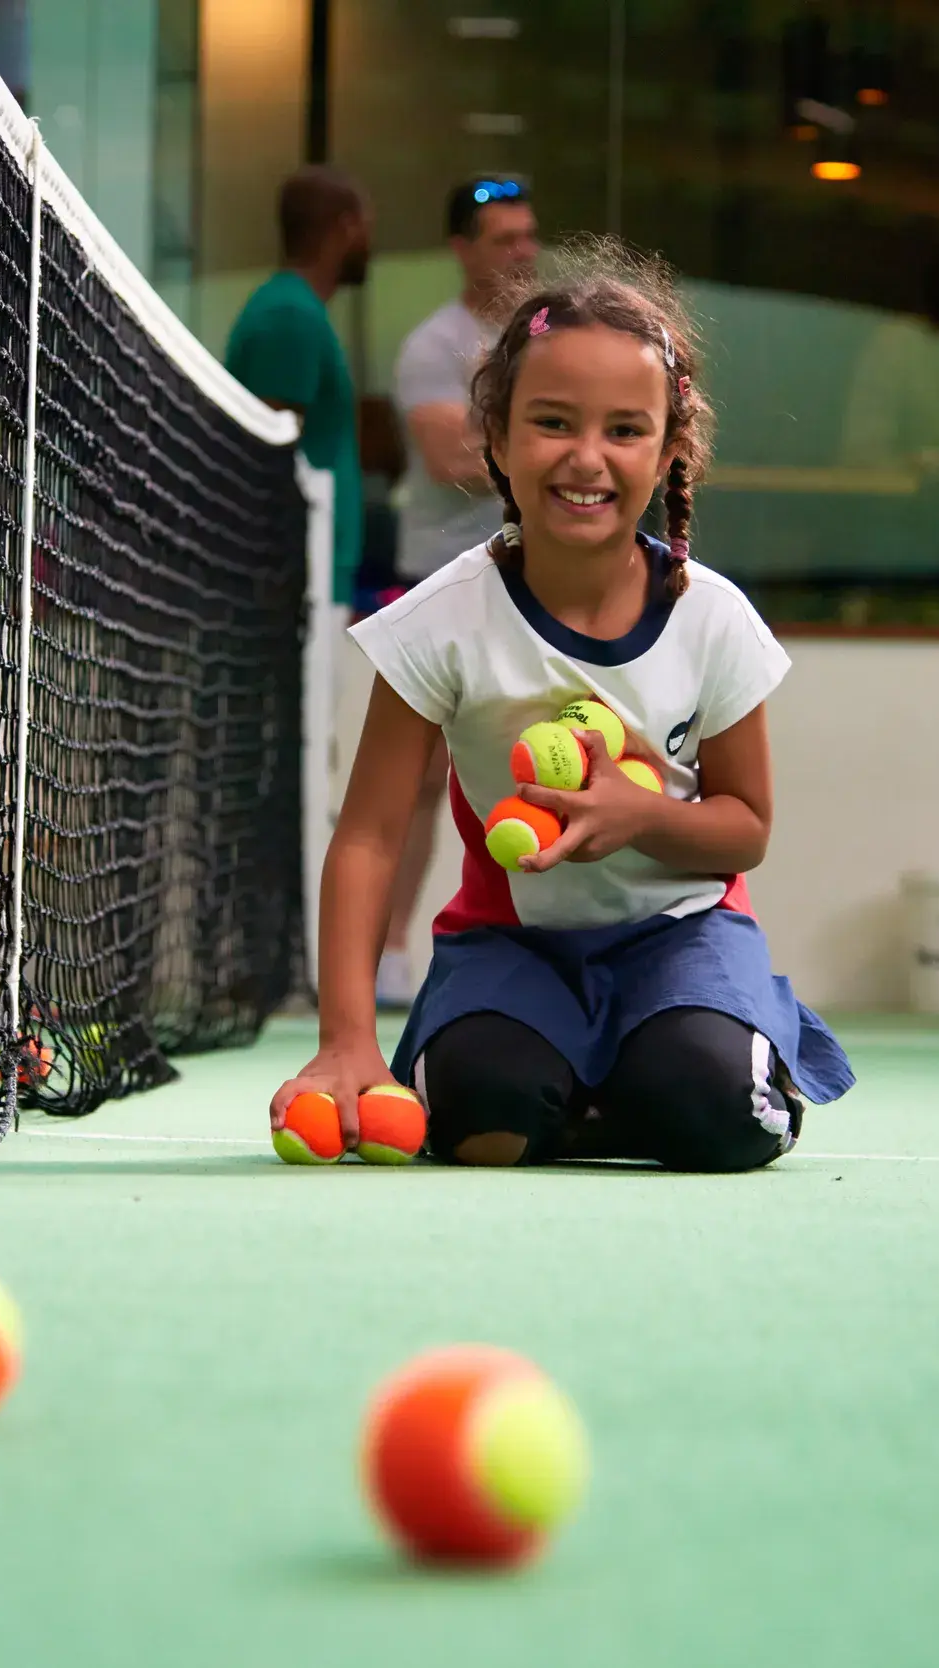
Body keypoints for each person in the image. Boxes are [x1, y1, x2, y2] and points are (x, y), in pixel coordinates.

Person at [268, 244, 855, 1171]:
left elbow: (746, 831)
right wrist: (347, 1042)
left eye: (626, 430)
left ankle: (691, 1065)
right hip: (511, 946)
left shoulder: (712, 618)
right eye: (552, 422)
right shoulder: (438, 623)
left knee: (715, 1115)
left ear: (670, 452)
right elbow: (370, 836)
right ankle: (587, 1086)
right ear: (496, 436)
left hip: (683, 935)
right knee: (481, 1121)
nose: (587, 457)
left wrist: (642, 818)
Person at [373, 177, 542, 1008]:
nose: (521, 250)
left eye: (527, 236)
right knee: (414, 777)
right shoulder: (433, 345)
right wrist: (556, 471)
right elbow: (449, 461)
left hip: (528, 577)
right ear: (462, 249)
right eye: (503, 237)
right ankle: (389, 950)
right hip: (439, 583)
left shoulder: (541, 341)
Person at [222, 164, 371, 606]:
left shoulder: (299, 310)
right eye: (366, 227)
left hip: (316, 567)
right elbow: (269, 456)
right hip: (297, 577)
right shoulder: (290, 316)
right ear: (346, 227)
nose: (369, 242)